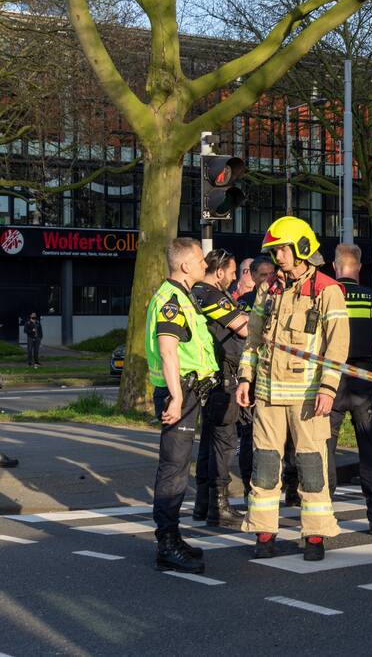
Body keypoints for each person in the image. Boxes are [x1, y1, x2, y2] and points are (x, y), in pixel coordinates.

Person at [235, 217, 348, 562]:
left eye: (282, 249)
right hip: (267, 397)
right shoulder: (267, 290)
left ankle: (315, 535)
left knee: (312, 465)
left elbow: (337, 345)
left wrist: (328, 389)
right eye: (274, 250)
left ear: (301, 248)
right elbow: (254, 339)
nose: (277, 256)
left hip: (308, 397)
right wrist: (245, 378)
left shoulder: (327, 290)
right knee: (265, 465)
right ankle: (264, 532)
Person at [146, 238, 218, 574]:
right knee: (174, 470)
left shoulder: (183, 296)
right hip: (180, 393)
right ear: (186, 265)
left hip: (187, 392)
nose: (206, 265)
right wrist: (176, 396)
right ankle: (166, 545)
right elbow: (168, 350)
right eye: (201, 261)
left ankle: (172, 536)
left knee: (177, 467)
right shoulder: (171, 300)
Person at [327, 243, 372, 532]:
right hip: (364, 380)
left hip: (330, 379)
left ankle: (324, 513)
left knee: (325, 446)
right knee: (369, 447)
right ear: (360, 267)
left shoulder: (326, 295)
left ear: (335, 266)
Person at [190, 248, 248, 526]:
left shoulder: (195, 292)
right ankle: (219, 505)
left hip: (208, 374)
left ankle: (203, 504)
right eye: (233, 272)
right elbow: (243, 327)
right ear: (220, 271)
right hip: (221, 375)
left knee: (208, 442)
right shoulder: (210, 293)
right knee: (224, 442)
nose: (235, 278)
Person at [236, 254, 276, 497]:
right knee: (250, 435)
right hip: (252, 378)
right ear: (252, 276)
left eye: (272, 274)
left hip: (277, 378)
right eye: (263, 275)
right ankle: (248, 486)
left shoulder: (281, 299)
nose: (269, 279)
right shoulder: (246, 303)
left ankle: (289, 485)